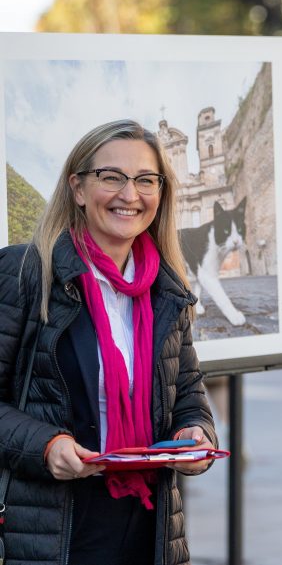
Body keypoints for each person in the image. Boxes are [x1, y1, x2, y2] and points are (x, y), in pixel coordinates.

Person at [0, 120, 218, 565]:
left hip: (148, 525)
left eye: (145, 180)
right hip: (50, 528)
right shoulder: (24, 274)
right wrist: (46, 446)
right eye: (112, 177)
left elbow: (189, 394)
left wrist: (195, 435)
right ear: (78, 188)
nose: (130, 194)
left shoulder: (167, 290)